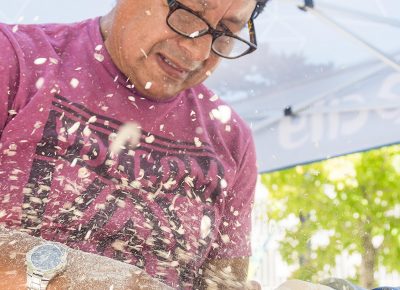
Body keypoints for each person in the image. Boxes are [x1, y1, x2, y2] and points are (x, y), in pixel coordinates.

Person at [0, 0, 268, 289]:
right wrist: (76, 276)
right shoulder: (13, 57)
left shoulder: (231, 137)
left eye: (226, 32)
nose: (198, 51)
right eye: (189, 15)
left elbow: (224, 283)